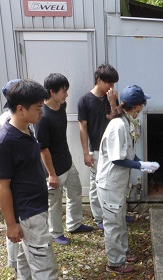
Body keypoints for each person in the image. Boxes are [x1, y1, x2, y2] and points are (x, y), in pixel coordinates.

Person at [0, 79, 81, 280]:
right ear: (20, 109)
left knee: (24, 256)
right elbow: (3, 187)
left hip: (34, 207)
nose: (42, 111)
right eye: (37, 108)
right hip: (28, 212)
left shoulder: (27, 130)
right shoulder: (4, 141)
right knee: (43, 263)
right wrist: (11, 224)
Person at [97, 85, 159, 274]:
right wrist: (140, 166)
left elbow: (129, 155)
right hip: (110, 184)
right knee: (113, 224)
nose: (141, 110)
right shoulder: (118, 126)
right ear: (135, 106)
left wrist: (143, 163)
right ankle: (114, 263)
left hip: (118, 183)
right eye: (141, 105)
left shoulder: (126, 122)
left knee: (120, 220)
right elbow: (117, 159)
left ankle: (122, 253)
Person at [34, 73, 93, 246]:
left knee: (75, 193)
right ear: (52, 92)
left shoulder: (61, 106)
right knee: (55, 203)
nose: (66, 95)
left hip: (67, 161)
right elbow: (43, 149)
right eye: (63, 91)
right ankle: (56, 233)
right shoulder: (42, 118)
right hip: (53, 169)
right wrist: (51, 174)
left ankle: (74, 224)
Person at [78, 64, 123, 230]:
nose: (111, 88)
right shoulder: (84, 100)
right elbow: (82, 127)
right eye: (109, 84)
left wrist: (112, 102)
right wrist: (85, 153)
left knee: (114, 181)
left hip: (113, 149)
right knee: (96, 183)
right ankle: (99, 218)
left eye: (113, 84)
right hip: (96, 149)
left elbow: (118, 119)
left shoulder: (111, 98)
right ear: (99, 80)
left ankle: (116, 213)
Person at [0, 79, 21, 271]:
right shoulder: (1, 124)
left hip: (23, 183)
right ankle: (15, 262)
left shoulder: (26, 120)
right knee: (12, 221)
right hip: (11, 183)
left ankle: (23, 261)